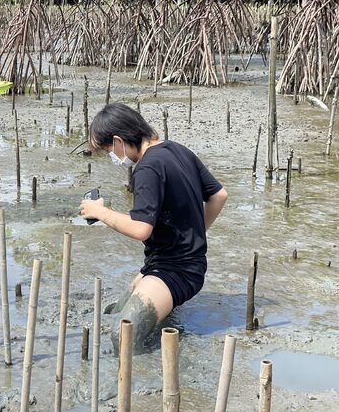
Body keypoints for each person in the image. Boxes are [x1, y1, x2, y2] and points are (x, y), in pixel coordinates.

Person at [79, 103, 228, 353]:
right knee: (115, 311)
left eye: (108, 151)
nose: (112, 157)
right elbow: (219, 196)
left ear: (119, 140)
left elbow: (140, 229)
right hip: (174, 263)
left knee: (123, 335)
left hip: (175, 271)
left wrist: (100, 212)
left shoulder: (147, 168)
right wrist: (195, 235)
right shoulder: (178, 149)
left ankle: (141, 386)